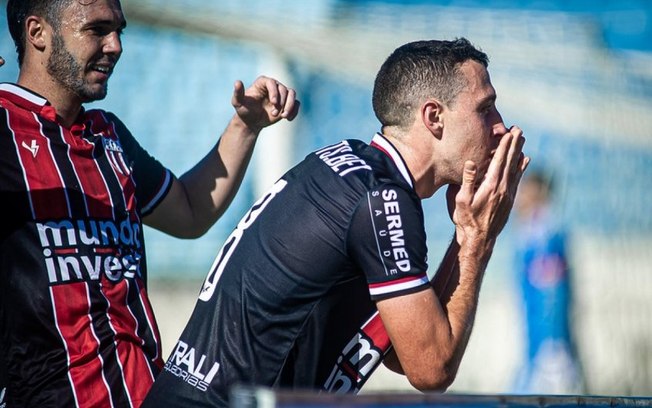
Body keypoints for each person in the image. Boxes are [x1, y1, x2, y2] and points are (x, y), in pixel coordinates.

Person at [143, 38, 530, 407]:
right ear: (433, 117)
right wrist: (477, 237)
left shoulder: (345, 166)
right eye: (485, 108)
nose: (500, 126)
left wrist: (466, 235)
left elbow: (407, 347)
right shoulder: (383, 198)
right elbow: (431, 368)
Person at [0, 0, 299, 406]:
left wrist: (245, 127)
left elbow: (192, 212)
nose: (116, 45)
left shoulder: (108, 137)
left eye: (119, 29)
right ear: (38, 33)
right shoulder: (4, 130)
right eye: (97, 29)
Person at [511, 169, 585, 394]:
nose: (518, 196)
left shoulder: (543, 234)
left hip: (549, 356)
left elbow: (552, 297)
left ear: (538, 193)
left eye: (524, 189)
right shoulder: (534, 232)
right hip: (540, 350)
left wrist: (553, 349)